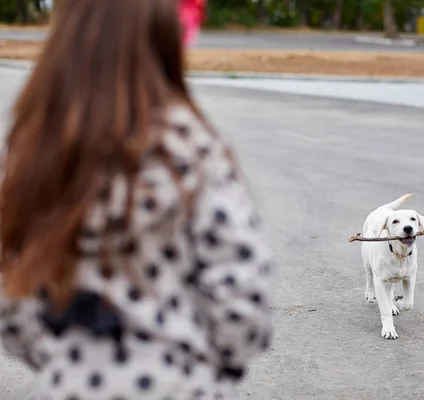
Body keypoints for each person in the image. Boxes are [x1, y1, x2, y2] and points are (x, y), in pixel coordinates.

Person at [0, 0, 273, 399]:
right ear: (167, 43)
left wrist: (66, 360)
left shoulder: (31, 152)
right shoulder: (193, 148)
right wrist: (207, 365)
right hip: (183, 385)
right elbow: (243, 296)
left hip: (68, 386)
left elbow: (11, 289)